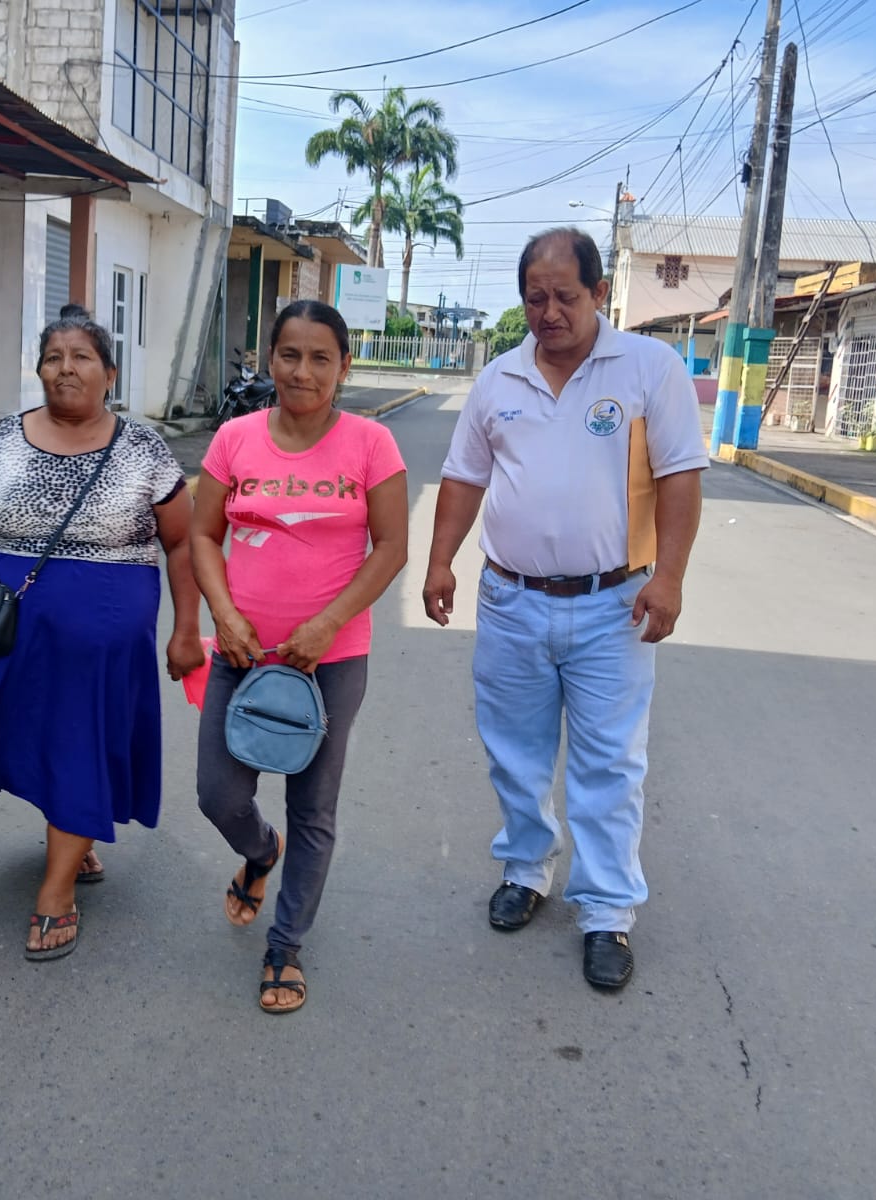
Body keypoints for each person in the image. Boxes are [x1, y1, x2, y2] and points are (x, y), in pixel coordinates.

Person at [423, 228, 707, 992]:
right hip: (511, 601)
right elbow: (463, 477)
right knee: (514, 751)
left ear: (599, 293)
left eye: (565, 296)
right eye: (535, 298)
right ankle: (526, 868)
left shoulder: (648, 368)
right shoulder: (499, 379)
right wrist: (441, 560)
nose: (549, 312)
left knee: (608, 763)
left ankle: (607, 909)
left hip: (614, 605)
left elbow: (681, 478)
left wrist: (670, 578)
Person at [0, 305, 206, 962]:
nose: (65, 369)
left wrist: (187, 629)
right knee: (27, 737)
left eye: (81, 357)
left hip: (104, 628)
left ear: (110, 374)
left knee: (80, 739)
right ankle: (77, 833)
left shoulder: (143, 449)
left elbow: (182, 543)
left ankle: (57, 890)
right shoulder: (5, 437)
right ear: (40, 369)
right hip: (9, 623)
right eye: (53, 357)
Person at [191, 299, 409, 1014]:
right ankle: (260, 852)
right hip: (241, 653)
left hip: (331, 660)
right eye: (290, 354)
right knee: (219, 794)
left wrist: (328, 624)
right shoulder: (235, 438)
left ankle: (285, 946)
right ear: (270, 359)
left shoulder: (372, 444)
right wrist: (223, 615)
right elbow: (203, 536)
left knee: (313, 806)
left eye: (321, 358)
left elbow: (391, 548)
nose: (303, 371)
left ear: (344, 366)